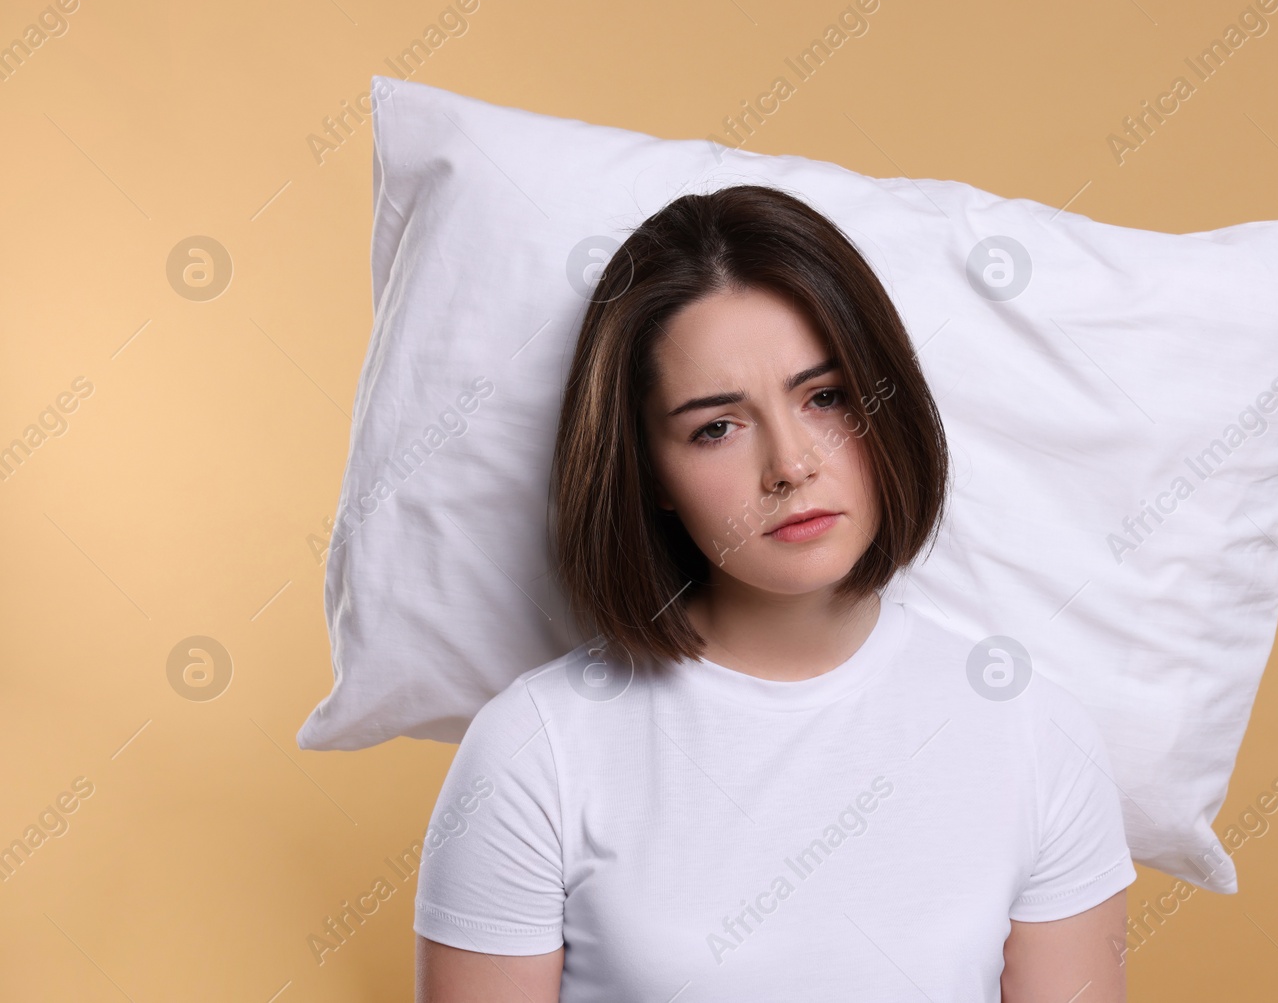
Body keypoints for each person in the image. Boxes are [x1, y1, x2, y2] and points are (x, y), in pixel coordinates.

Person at [413, 184, 1135, 1001]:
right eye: (716, 426)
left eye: (825, 397)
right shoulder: (535, 749)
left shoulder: (1032, 732)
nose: (791, 465)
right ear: (649, 471)